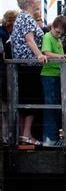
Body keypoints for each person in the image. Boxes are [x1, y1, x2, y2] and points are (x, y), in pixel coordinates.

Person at [10, 0, 47, 146]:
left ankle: (25, 134)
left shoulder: (25, 17)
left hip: (28, 66)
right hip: (28, 66)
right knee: (32, 98)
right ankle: (26, 135)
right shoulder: (25, 17)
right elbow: (29, 39)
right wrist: (39, 55)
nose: (39, 0)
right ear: (30, 0)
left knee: (30, 98)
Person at [40, 15, 66, 146]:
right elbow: (46, 53)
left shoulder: (57, 39)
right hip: (49, 75)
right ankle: (49, 138)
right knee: (50, 106)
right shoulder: (47, 37)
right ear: (52, 27)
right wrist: (61, 56)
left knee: (56, 106)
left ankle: (54, 136)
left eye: (61, 34)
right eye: (57, 32)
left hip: (57, 74)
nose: (59, 35)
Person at [0, 10, 18, 142]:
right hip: (3, 74)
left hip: (4, 74)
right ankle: (5, 137)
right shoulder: (3, 34)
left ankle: (6, 136)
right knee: (4, 108)